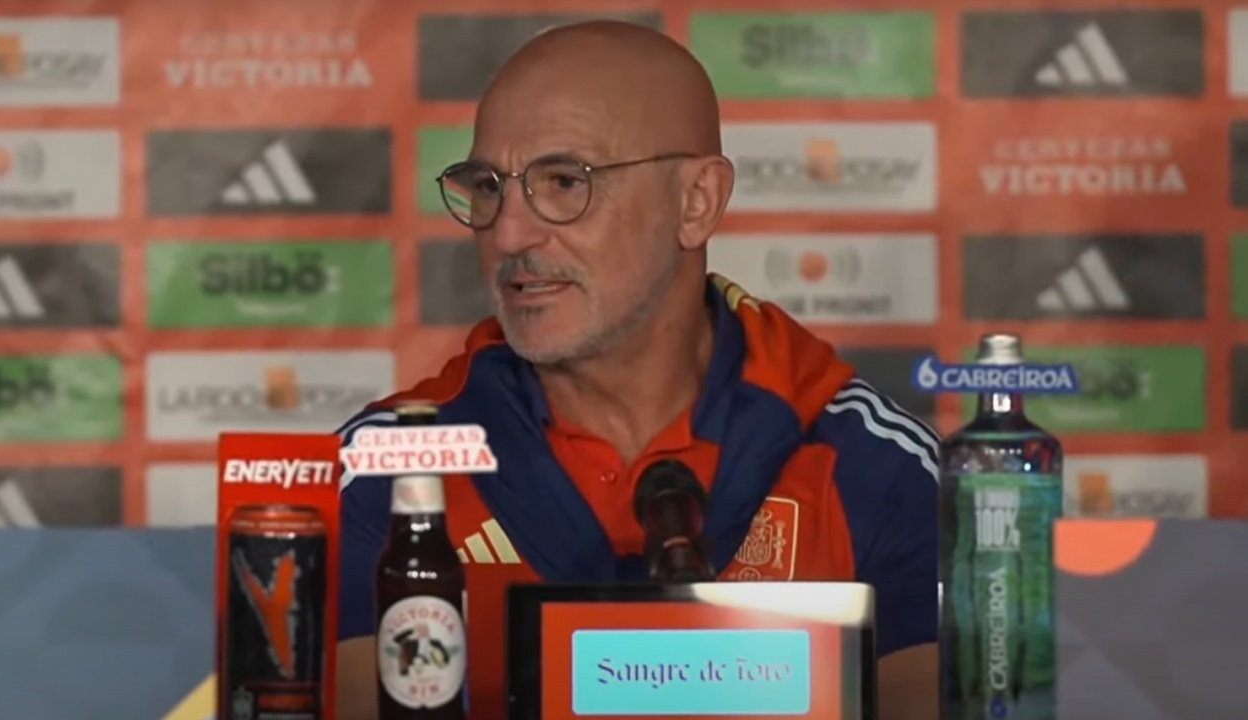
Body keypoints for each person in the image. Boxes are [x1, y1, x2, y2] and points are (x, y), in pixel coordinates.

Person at [334, 20, 938, 720]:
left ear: (696, 202)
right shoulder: (387, 466)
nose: (507, 233)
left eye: (564, 182)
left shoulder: (872, 464)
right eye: (488, 187)